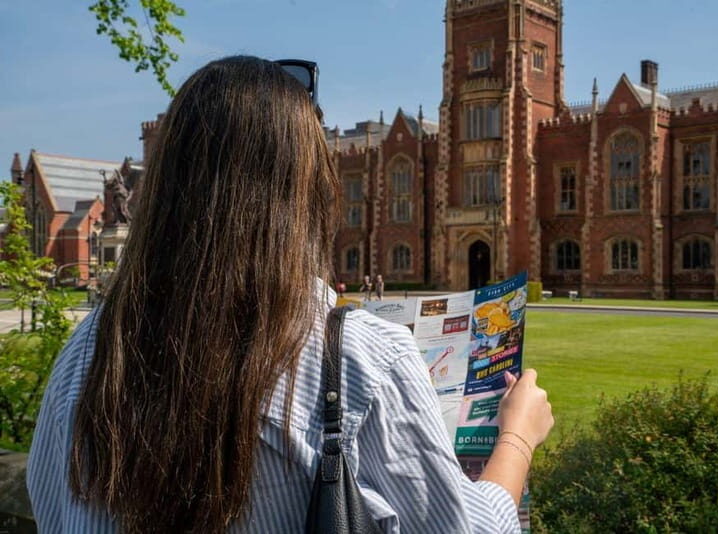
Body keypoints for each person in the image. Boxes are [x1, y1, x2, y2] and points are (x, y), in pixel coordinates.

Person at [27, 56, 554, 533]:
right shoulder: (362, 356)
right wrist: (518, 437)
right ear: (306, 188)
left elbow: (52, 513)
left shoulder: (89, 349)